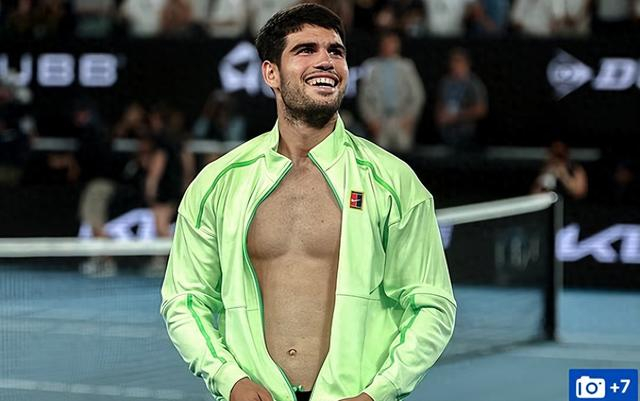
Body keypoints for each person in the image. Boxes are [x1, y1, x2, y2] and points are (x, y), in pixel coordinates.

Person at [160, 4, 456, 401]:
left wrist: (378, 393)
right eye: (306, 50)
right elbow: (184, 300)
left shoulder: (394, 182)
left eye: (335, 51)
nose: (326, 61)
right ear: (271, 73)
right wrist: (229, 379)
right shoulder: (217, 184)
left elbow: (432, 305)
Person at [357, 30, 425, 153]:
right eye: (386, 43)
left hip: (401, 119)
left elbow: (417, 95)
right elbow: (363, 98)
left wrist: (410, 118)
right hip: (379, 120)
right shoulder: (370, 66)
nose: (389, 46)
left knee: (404, 153)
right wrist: (371, 121)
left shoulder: (407, 66)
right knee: (379, 155)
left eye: (392, 43)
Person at [434, 47, 487, 150]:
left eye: (458, 61)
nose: (455, 64)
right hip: (446, 134)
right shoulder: (445, 83)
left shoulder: (473, 84)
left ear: (467, 63)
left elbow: (481, 109)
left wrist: (456, 116)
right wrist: (441, 116)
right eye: (453, 61)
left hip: (467, 135)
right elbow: (440, 104)